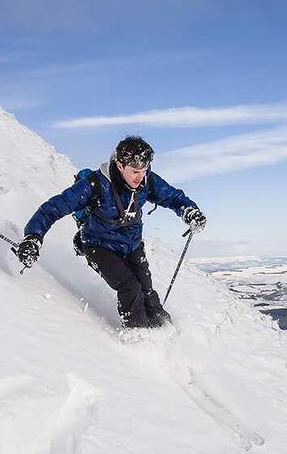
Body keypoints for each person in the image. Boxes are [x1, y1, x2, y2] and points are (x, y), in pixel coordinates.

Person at [16, 135, 206, 328]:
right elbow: (52, 209)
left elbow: (173, 197)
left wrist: (189, 211)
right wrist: (33, 237)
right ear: (120, 165)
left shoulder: (147, 181)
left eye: (144, 170)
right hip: (99, 245)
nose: (139, 177)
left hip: (131, 243)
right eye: (134, 171)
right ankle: (139, 336)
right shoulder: (94, 185)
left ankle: (165, 330)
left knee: (147, 289)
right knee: (130, 287)